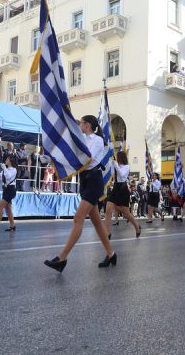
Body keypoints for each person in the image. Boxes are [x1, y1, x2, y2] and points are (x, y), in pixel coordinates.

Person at [44, 115, 116, 273]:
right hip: (84, 181)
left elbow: (85, 158)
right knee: (97, 223)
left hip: (94, 181)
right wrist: (53, 158)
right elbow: (71, 155)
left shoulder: (96, 140)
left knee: (78, 218)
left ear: (88, 125)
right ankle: (111, 254)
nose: (80, 125)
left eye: (81, 123)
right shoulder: (82, 138)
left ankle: (62, 259)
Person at [104, 151, 142, 239]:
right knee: (108, 210)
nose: (116, 158)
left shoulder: (126, 167)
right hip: (115, 188)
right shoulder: (116, 165)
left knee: (126, 214)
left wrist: (115, 165)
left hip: (123, 189)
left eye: (118, 157)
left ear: (121, 158)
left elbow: (122, 175)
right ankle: (107, 232)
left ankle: (137, 227)